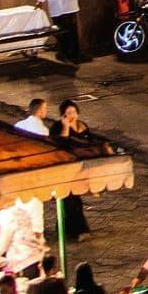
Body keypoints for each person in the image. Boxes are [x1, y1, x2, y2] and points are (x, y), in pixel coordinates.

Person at [50, 101, 95, 238]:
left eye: (73, 112)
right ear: (63, 114)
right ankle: (79, 231)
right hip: (64, 167)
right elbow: (59, 144)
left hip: (80, 167)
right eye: (68, 113)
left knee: (75, 199)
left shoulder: (82, 126)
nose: (72, 115)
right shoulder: (58, 127)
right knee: (69, 199)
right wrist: (65, 127)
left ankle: (68, 230)